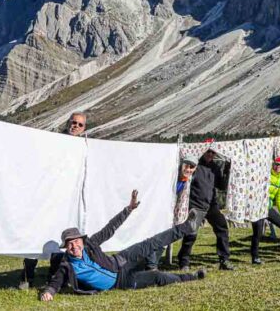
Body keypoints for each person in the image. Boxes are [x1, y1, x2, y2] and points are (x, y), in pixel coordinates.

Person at [39, 190, 206, 301]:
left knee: (151, 243)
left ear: (82, 240)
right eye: (69, 244)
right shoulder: (67, 265)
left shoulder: (90, 244)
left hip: (121, 260)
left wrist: (129, 209)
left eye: (76, 241)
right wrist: (48, 292)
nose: (74, 246)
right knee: (157, 277)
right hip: (121, 281)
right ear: (65, 247)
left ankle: (188, 226)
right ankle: (191, 277)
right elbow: (55, 282)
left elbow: (109, 229)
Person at [19, 111, 88, 290]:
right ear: (68, 123)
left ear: (84, 128)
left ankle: (54, 276)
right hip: (47, 196)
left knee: (61, 239)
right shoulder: (54, 142)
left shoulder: (85, 146)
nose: (75, 126)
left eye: (80, 124)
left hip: (68, 201)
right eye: (73, 122)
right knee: (37, 234)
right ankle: (27, 276)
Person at [177, 147, 235, 271]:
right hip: (196, 204)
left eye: (213, 152)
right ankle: (184, 262)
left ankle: (224, 260)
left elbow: (222, 186)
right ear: (203, 151)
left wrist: (227, 170)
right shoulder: (195, 165)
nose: (210, 154)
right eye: (208, 152)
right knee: (191, 233)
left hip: (211, 205)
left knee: (222, 228)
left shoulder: (215, 167)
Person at [145, 155, 198, 271]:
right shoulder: (172, 176)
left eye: (192, 167)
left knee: (163, 238)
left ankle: (152, 266)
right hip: (159, 210)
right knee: (156, 235)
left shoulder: (187, 181)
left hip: (169, 213)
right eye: (186, 166)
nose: (188, 169)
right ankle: (150, 266)